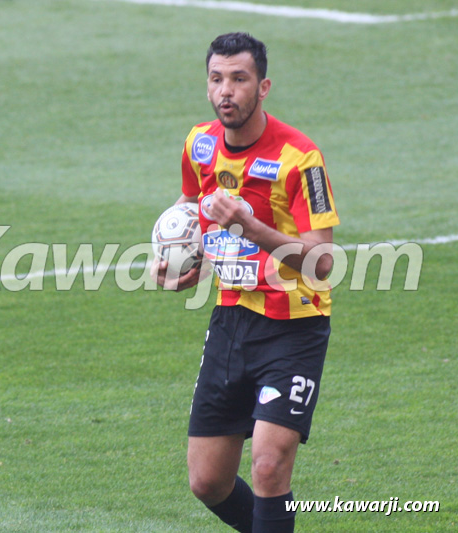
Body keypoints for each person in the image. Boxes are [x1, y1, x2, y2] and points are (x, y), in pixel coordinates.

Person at [152, 33, 340, 532]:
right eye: (217, 79)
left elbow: (322, 261)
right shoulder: (199, 143)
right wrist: (179, 259)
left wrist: (249, 227)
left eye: (239, 79)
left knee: (268, 466)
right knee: (207, 480)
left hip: (293, 327)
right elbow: (190, 205)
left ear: (263, 87)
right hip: (231, 320)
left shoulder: (301, 157)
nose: (226, 91)